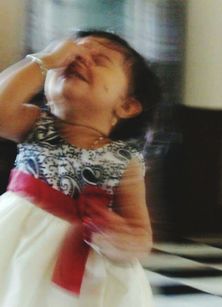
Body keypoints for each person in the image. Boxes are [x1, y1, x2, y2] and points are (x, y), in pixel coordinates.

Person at [0, 30, 161, 307]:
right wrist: (45, 59)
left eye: (99, 59)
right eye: (71, 55)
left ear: (126, 105)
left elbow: (140, 234)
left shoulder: (124, 159)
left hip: (85, 269)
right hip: (16, 244)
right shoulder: (35, 124)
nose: (79, 59)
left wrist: (119, 237)